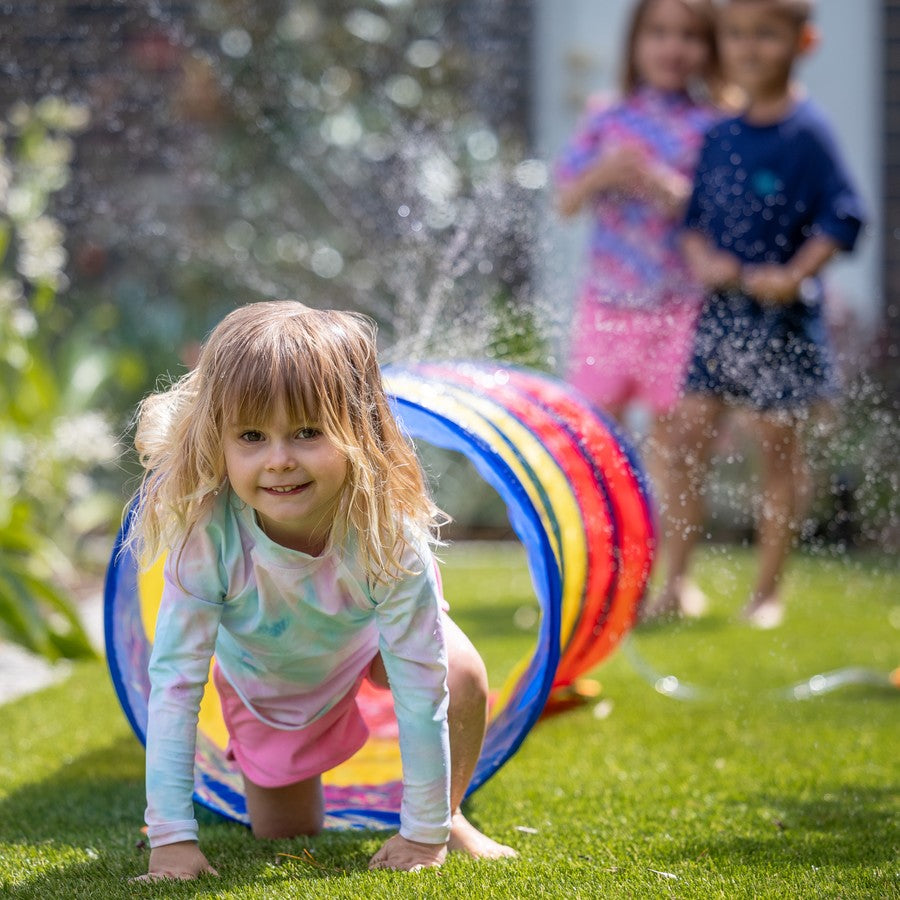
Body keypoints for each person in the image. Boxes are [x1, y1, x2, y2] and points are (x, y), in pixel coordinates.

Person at [127, 300, 516, 880]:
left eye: (308, 433)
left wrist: (423, 832)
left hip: (372, 642)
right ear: (220, 441)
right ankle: (273, 769)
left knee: (458, 673)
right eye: (252, 436)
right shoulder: (207, 538)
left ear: (358, 429)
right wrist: (171, 840)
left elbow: (420, 679)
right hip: (270, 679)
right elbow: (176, 685)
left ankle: (448, 814)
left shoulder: (385, 531)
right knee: (287, 832)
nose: (280, 460)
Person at [648, 0, 866, 626]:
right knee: (687, 435)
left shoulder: (809, 133)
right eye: (737, 35)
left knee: (775, 448)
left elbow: (844, 216)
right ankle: (678, 583)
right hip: (721, 312)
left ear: (805, 41)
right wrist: (703, 259)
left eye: (766, 35)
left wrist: (796, 273)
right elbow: (692, 224)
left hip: (784, 318)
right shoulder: (720, 136)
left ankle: (767, 592)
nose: (748, 48)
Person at [554, 0, 722, 616]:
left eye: (688, 36)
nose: (672, 47)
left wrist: (661, 184)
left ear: (708, 50)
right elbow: (567, 199)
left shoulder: (711, 126)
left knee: (677, 449)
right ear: (637, 43)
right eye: (659, 33)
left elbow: (714, 215)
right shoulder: (607, 116)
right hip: (606, 307)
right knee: (595, 443)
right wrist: (604, 171)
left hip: (679, 310)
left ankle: (675, 582)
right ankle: (601, 576)